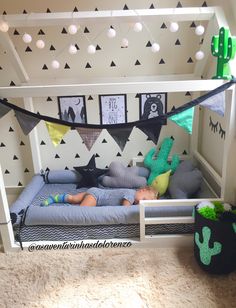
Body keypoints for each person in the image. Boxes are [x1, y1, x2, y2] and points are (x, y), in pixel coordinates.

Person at [41, 186, 159, 207]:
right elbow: (125, 209)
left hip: (95, 192)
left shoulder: (133, 196)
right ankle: (59, 212)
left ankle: (54, 198)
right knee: (82, 212)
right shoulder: (131, 194)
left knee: (73, 199)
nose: (140, 203)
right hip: (96, 198)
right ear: (142, 190)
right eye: (143, 200)